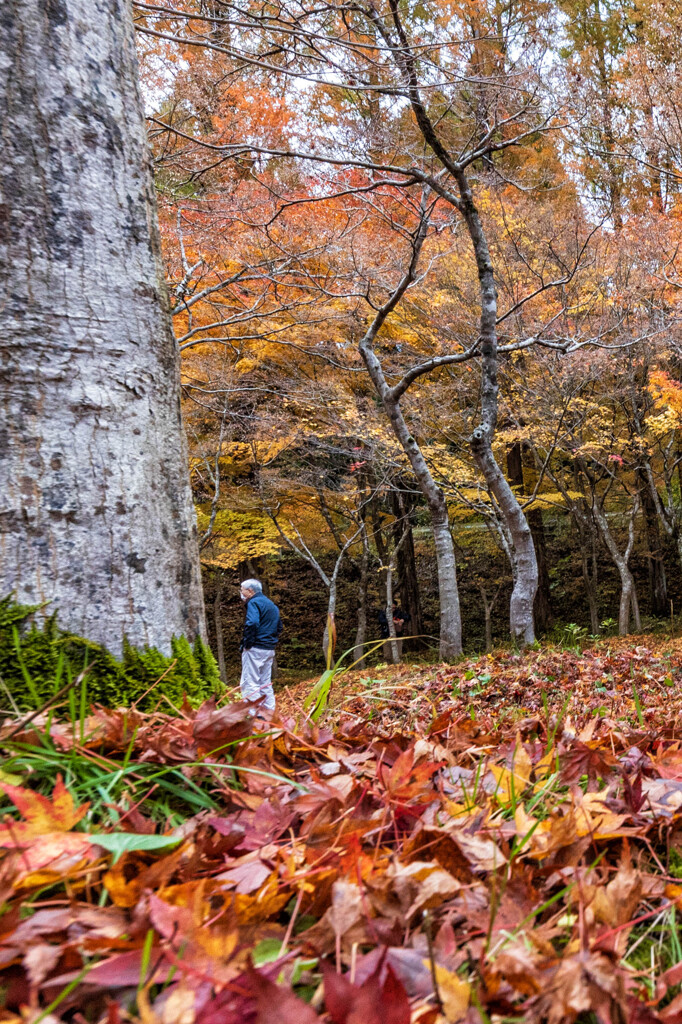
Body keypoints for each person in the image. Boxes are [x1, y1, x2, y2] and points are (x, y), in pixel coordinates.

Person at [239, 579, 282, 714]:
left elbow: (252, 623)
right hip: (269, 648)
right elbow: (279, 626)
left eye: (242, 589)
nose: (241, 592)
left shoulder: (253, 602)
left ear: (250, 591)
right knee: (265, 683)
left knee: (249, 682)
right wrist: (270, 640)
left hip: (255, 648)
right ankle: (270, 713)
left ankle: (255, 715)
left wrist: (248, 643)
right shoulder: (271, 605)